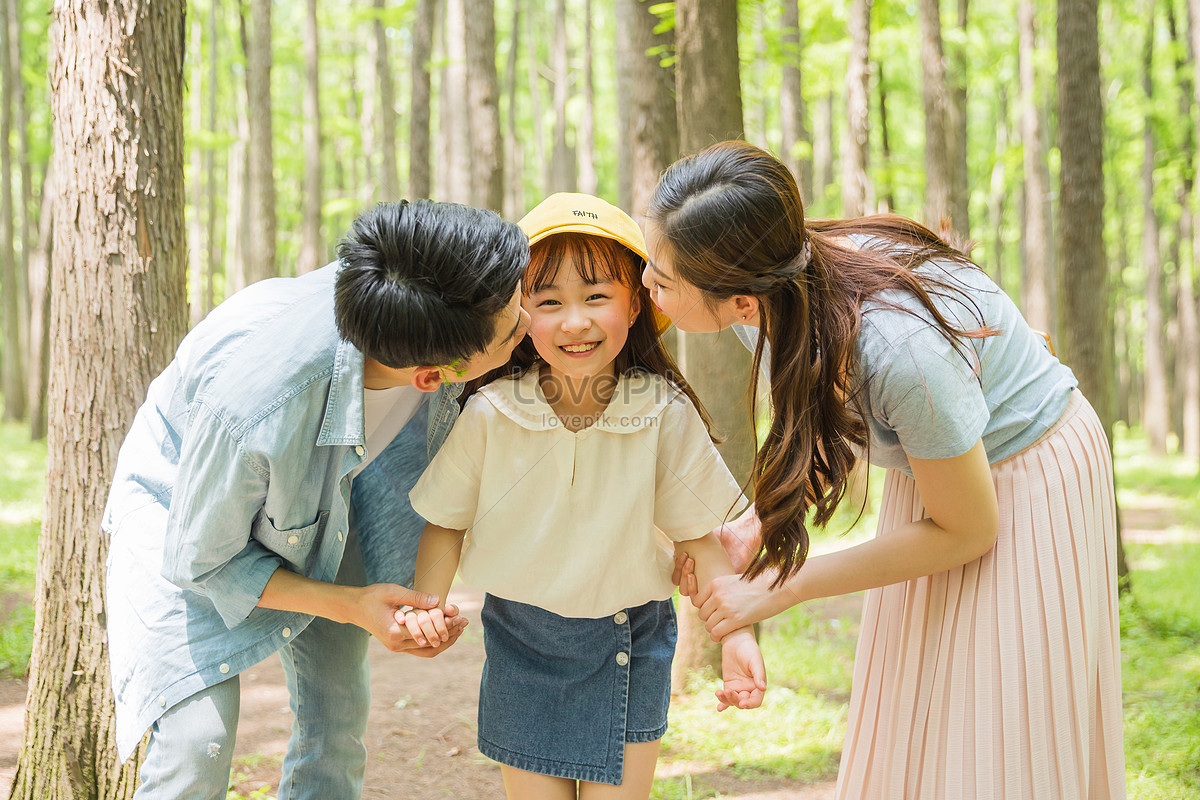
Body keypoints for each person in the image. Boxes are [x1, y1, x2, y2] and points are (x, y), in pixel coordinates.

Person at [650, 141, 1125, 800]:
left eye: (663, 277)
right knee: (920, 709)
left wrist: (784, 588)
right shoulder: (773, 298)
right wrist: (762, 521)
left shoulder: (900, 351)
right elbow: (836, 414)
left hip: (1027, 472)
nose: (647, 284)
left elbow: (968, 531)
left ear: (739, 299)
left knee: (995, 728)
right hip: (938, 465)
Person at [101, 200, 532, 799]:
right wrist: (352, 604)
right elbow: (199, 559)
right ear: (436, 375)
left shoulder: (425, 296)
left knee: (336, 717)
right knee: (194, 743)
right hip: (184, 506)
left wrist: (414, 603)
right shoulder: (257, 405)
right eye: (515, 329)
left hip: (331, 495)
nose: (531, 323)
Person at [399, 193, 766, 800]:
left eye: (596, 296)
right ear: (519, 317)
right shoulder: (491, 412)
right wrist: (426, 608)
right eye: (549, 303)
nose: (575, 321)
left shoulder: (661, 412)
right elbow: (445, 521)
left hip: (630, 637)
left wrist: (736, 633)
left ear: (635, 305)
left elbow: (699, 536)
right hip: (520, 640)